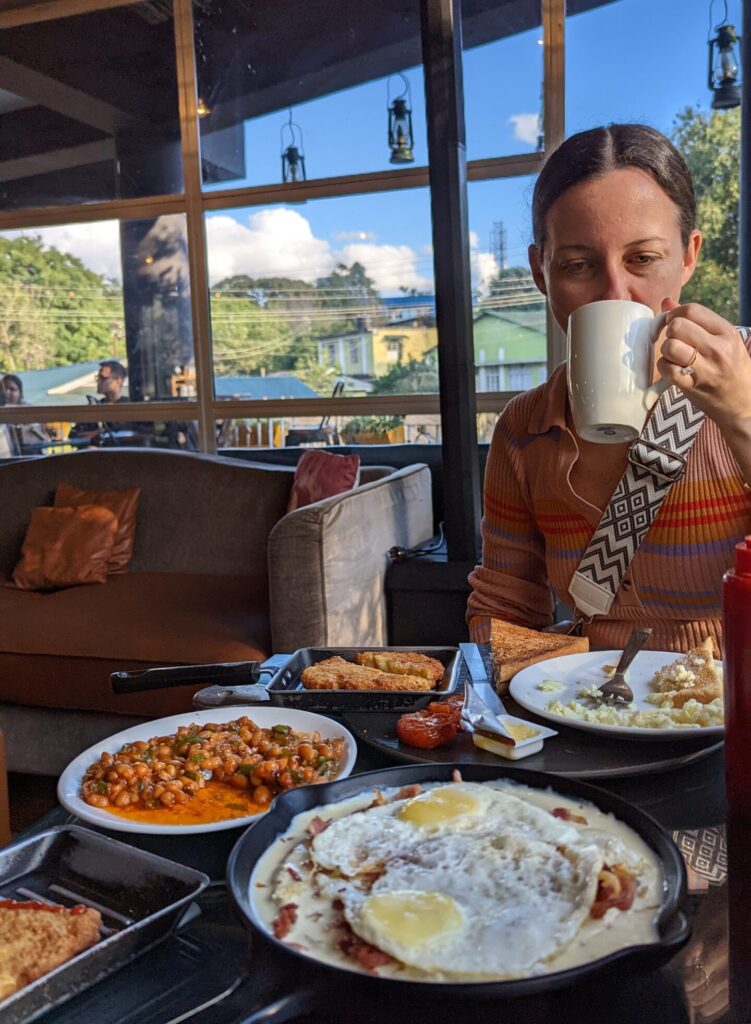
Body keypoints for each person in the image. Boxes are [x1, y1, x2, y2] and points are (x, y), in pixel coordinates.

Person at [467, 122, 751, 654]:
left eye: (643, 259)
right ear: (540, 272)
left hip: (735, 712)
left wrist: (741, 416)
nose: (616, 292)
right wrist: (535, 695)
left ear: (688, 255)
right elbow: (504, 608)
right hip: (594, 709)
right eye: (578, 265)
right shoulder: (523, 431)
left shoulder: (748, 374)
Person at [68, 359, 130, 445]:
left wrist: (101, 433)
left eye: (103, 378)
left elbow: (132, 430)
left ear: (119, 381)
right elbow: (74, 435)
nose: (98, 381)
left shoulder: (130, 407)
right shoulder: (95, 406)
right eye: (98, 378)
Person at [1, 373, 50, 453]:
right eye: (4, 389)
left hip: (30, 452)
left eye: (12, 389)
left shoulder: (28, 410)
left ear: (20, 392)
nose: (7, 392)